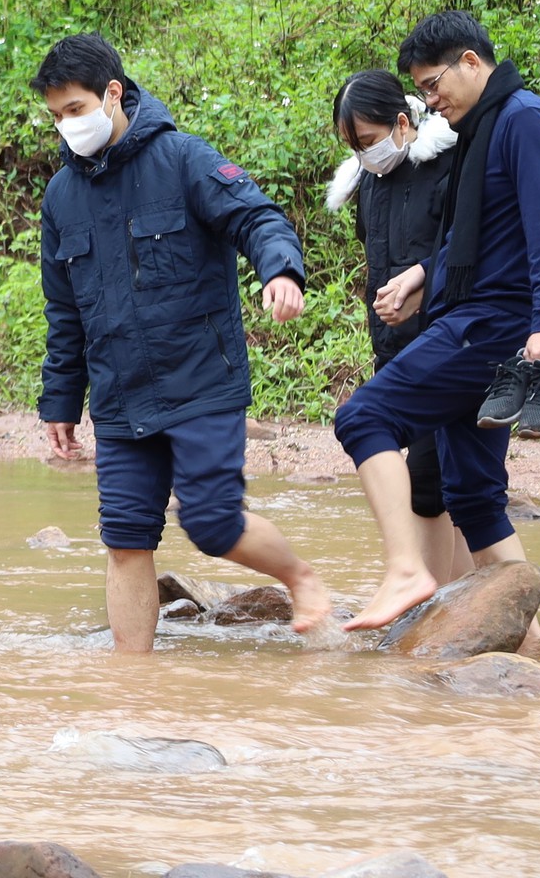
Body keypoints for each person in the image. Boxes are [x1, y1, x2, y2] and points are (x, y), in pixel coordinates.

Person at [33, 33, 331, 651]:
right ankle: (134, 683)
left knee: (212, 523)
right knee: (125, 539)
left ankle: (299, 577)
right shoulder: (61, 198)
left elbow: (258, 217)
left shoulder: (184, 159)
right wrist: (60, 403)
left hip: (200, 382)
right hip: (119, 399)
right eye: (57, 116)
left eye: (77, 109)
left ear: (113, 94)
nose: (68, 126)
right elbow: (64, 312)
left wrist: (280, 270)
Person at [331, 11, 540, 630]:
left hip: (490, 325)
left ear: (472, 62)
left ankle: (406, 570)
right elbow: (476, 237)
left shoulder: (525, 121)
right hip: (467, 312)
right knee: (474, 498)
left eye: (434, 83)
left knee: (364, 416)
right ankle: (531, 643)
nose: (430, 98)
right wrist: (421, 276)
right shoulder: (479, 129)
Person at [325, 70, 470, 586]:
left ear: (402, 123)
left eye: (368, 141)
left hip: (448, 343)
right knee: (451, 486)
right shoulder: (371, 181)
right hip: (394, 349)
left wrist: (422, 288)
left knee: (428, 483)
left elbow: (461, 253)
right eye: (354, 147)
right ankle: (468, 605)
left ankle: (426, 606)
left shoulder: (448, 167)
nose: (364, 155)